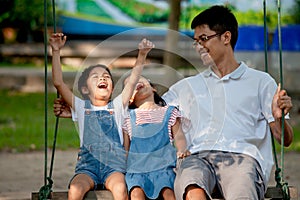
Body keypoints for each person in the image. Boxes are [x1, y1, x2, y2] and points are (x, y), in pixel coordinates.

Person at [161, 5, 294, 200]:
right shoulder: (185, 87)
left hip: (242, 157)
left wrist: (278, 118)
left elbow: (284, 139)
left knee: (242, 190)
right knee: (191, 186)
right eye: (196, 41)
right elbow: (151, 111)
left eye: (204, 39)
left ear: (226, 37)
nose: (199, 47)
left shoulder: (261, 82)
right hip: (198, 157)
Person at [49, 32, 154, 200]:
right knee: (75, 189)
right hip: (87, 168)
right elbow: (58, 83)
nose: (102, 78)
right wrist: (55, 51)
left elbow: (133, 80)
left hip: (114, 168)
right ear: (85, 89)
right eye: (95, 77)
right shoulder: (81, 107)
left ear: (112, 88)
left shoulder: (118, 107)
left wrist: (142, 55)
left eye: (106, 77)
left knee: (120, 188)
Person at [122, 75, 190, 200]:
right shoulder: (128, 118)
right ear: (129, 98)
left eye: (140, 79)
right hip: (137, 170)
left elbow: (179, 136)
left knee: (168, 192)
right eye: (131, 84)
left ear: (153, 88)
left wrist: (181, 149)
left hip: (163, 168)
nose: (137, 82)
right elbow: (125, 149)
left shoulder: (170, 112)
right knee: (136, 193)